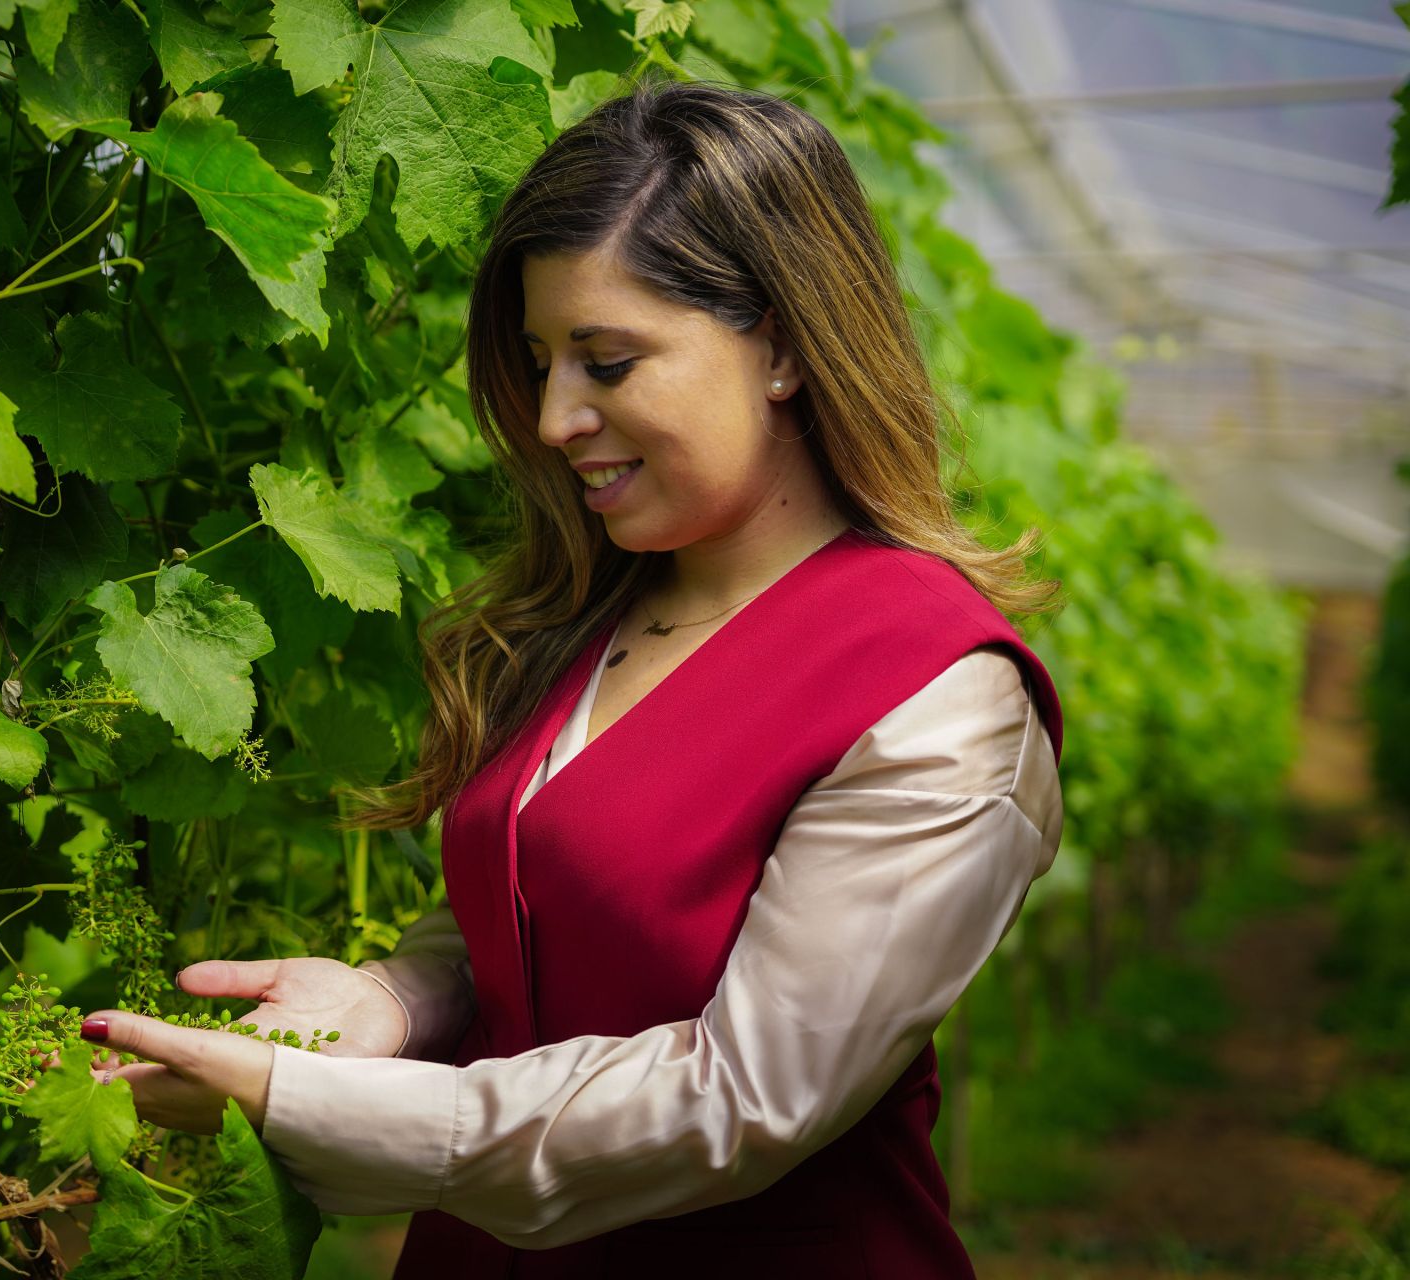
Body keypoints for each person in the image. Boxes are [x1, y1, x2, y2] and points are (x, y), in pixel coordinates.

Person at [74, 76, 1067, 1278]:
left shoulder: (939, 694)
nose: (553, 418)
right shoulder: (599, 608)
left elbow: (741, 1098)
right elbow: (535, 915)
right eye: (542, 360)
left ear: (787, 349)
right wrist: (387, 1000)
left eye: (607, 359)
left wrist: (303, 1100)